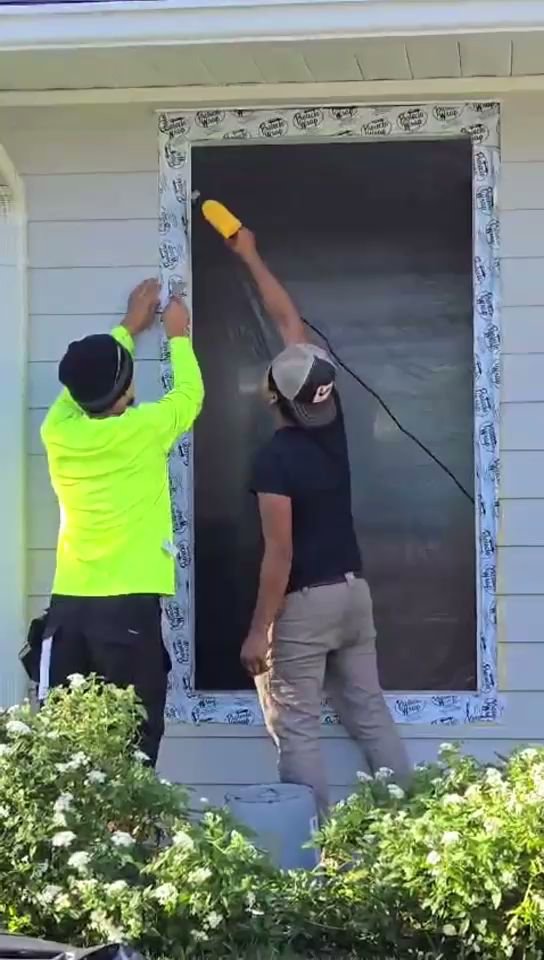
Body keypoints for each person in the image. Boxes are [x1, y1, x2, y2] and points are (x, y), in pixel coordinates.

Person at [228, 228, 410, 817]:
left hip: (304, 606)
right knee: (369, 713)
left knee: (298, 726)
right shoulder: (330, 427)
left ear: (272, 399)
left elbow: (278, 556)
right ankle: (413, 830)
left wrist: (259, 632)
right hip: (354, 594)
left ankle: (314, 859)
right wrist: (251, 254)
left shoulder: (274, 460)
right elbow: (293, 330)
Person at [40, 281, 204, 765]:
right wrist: (178, 336)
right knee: (135, 738)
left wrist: (127, 330)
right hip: (127, 607)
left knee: (65, 741)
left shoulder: (58, 430)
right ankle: (130, 837)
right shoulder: (143, 429)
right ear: (128, 389)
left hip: (69, 608)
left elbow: (82, 387)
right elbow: (190, 395)